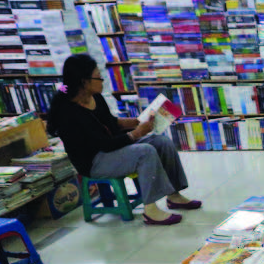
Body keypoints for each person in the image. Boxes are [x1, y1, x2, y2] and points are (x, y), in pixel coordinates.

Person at [46, 54, 198, 225]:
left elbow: (112, 123)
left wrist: (138, 122)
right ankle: (151, 210)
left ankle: (174, 195)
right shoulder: (70, 113)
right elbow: (104, 143)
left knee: (161, 142)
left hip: (112, 149)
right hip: (95, 161)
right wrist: (137, 133)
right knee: (145, 152)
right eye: (98, 76)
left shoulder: (95, 97)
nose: (102, 80)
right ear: (84, 81)